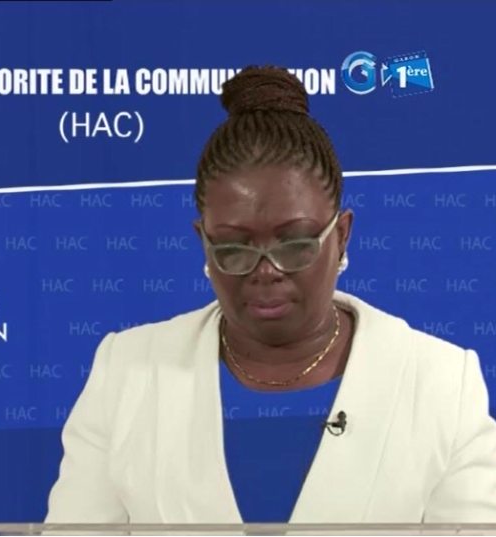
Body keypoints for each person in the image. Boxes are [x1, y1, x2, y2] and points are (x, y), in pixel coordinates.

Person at [44, 65, 496, 526]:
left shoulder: (441, 383)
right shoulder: (126, 372)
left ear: (341, 235)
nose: (266, 271)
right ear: (204, 243)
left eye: (294, 244)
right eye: (234, 248)